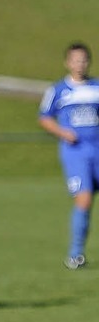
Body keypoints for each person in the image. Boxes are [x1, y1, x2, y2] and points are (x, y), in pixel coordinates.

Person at [38, 42, 99, 269]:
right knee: (84, 199)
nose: (80, 64)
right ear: (68, 62)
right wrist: (63, 132)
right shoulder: (58, 90)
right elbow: (44, 117)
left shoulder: (96, 87)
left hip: (97, 148)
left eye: (83, 60)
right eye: (75, 60)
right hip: (76, 152)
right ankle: (76, 254)